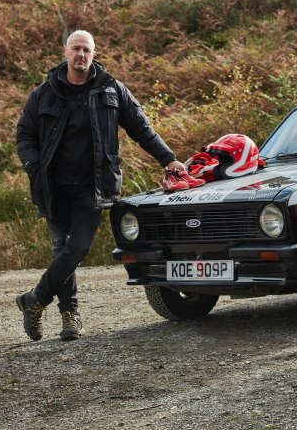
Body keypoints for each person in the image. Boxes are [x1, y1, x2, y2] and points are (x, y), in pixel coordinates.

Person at [16, 30, 186, 341]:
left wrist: (168, 158)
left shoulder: (112, 89)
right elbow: (25, 135)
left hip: (93, 186)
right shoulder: (44, 93)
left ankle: (34, 300)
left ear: (93, 54)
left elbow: (140, 127)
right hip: (53, 185)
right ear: (66, 51)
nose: (81, 55)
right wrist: (33, 167)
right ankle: (70, 316)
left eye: (87, 50)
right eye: (76, 49)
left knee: (77, 247)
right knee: (61, 249)